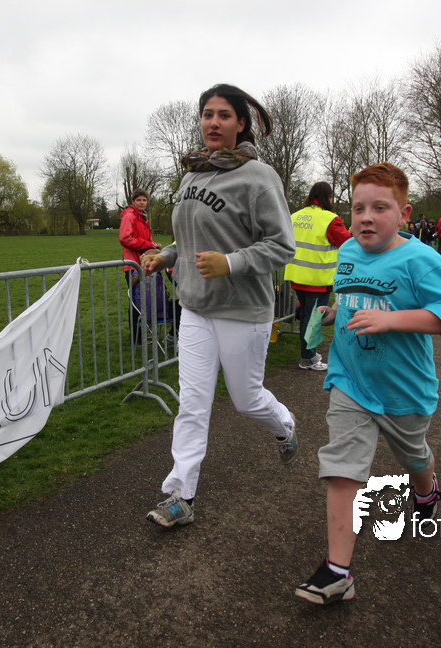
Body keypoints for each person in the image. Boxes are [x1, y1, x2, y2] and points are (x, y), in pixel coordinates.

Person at [294, 163, 441, 604]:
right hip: (351, 381)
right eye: (358, 208)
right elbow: (350, 296)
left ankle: (427, 491)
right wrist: (333, 313)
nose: (366, 218)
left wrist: (392, 320)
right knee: (342, 467)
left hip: (403, 390)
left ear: (404, 213)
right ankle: (338, 573)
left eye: (380, 208)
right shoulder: (348, 251)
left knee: (413, 455)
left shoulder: (420, 260)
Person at [140, 84, 297, 528]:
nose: (213, 122)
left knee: (246, 400)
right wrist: (165, 256)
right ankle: (180, 495)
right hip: (195, 308)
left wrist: (230, 263)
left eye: (224, 115)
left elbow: (282, 245)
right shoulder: (192, 176)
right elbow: (190, 240)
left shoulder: (258, 176)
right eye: (207, 114)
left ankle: (284, 425)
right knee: (192, 404)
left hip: (242, 310)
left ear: (241, 124)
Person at [284, 181, 351, 371]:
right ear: (328, 197)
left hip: (297, 276)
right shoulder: (330, 219)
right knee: (313, 319)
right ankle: (308, 358)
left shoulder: (295, 216)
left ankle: (308, 354)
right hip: (317, 279)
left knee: (307, 316)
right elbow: (347, 243)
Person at [119, 189, 161, 343]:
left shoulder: (142, 217)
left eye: (144, 200)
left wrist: (153, 245)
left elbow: (143, 239)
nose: (142, 203)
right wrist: (150, 245)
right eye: (139, 200)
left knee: (144, 299)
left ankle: (141, 334)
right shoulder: (130, 216)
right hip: (132, 265)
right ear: (133, 201)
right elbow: (125, 238)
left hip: (143, 262)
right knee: (136, 301)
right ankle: (136, 336)